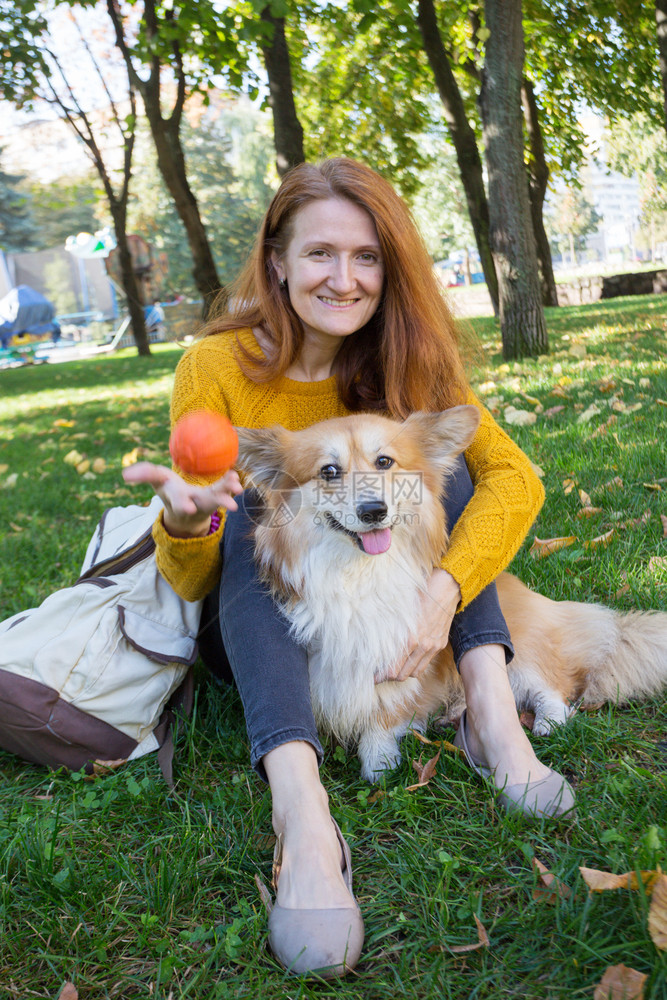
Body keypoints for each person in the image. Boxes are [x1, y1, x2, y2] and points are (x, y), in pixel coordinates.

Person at [124, 158, 574, 978]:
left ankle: (492, 719)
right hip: (263, 623)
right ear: (277, 264)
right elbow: (192, 582)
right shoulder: (215, 369)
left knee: (452, 470)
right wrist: (186, 522)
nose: (344, 278)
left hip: (395, 598)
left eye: (365, 256)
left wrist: (446, 588)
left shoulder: (408, 359)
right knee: (247, 512)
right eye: (320, 254)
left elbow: (518, 480)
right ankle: (302, 813)